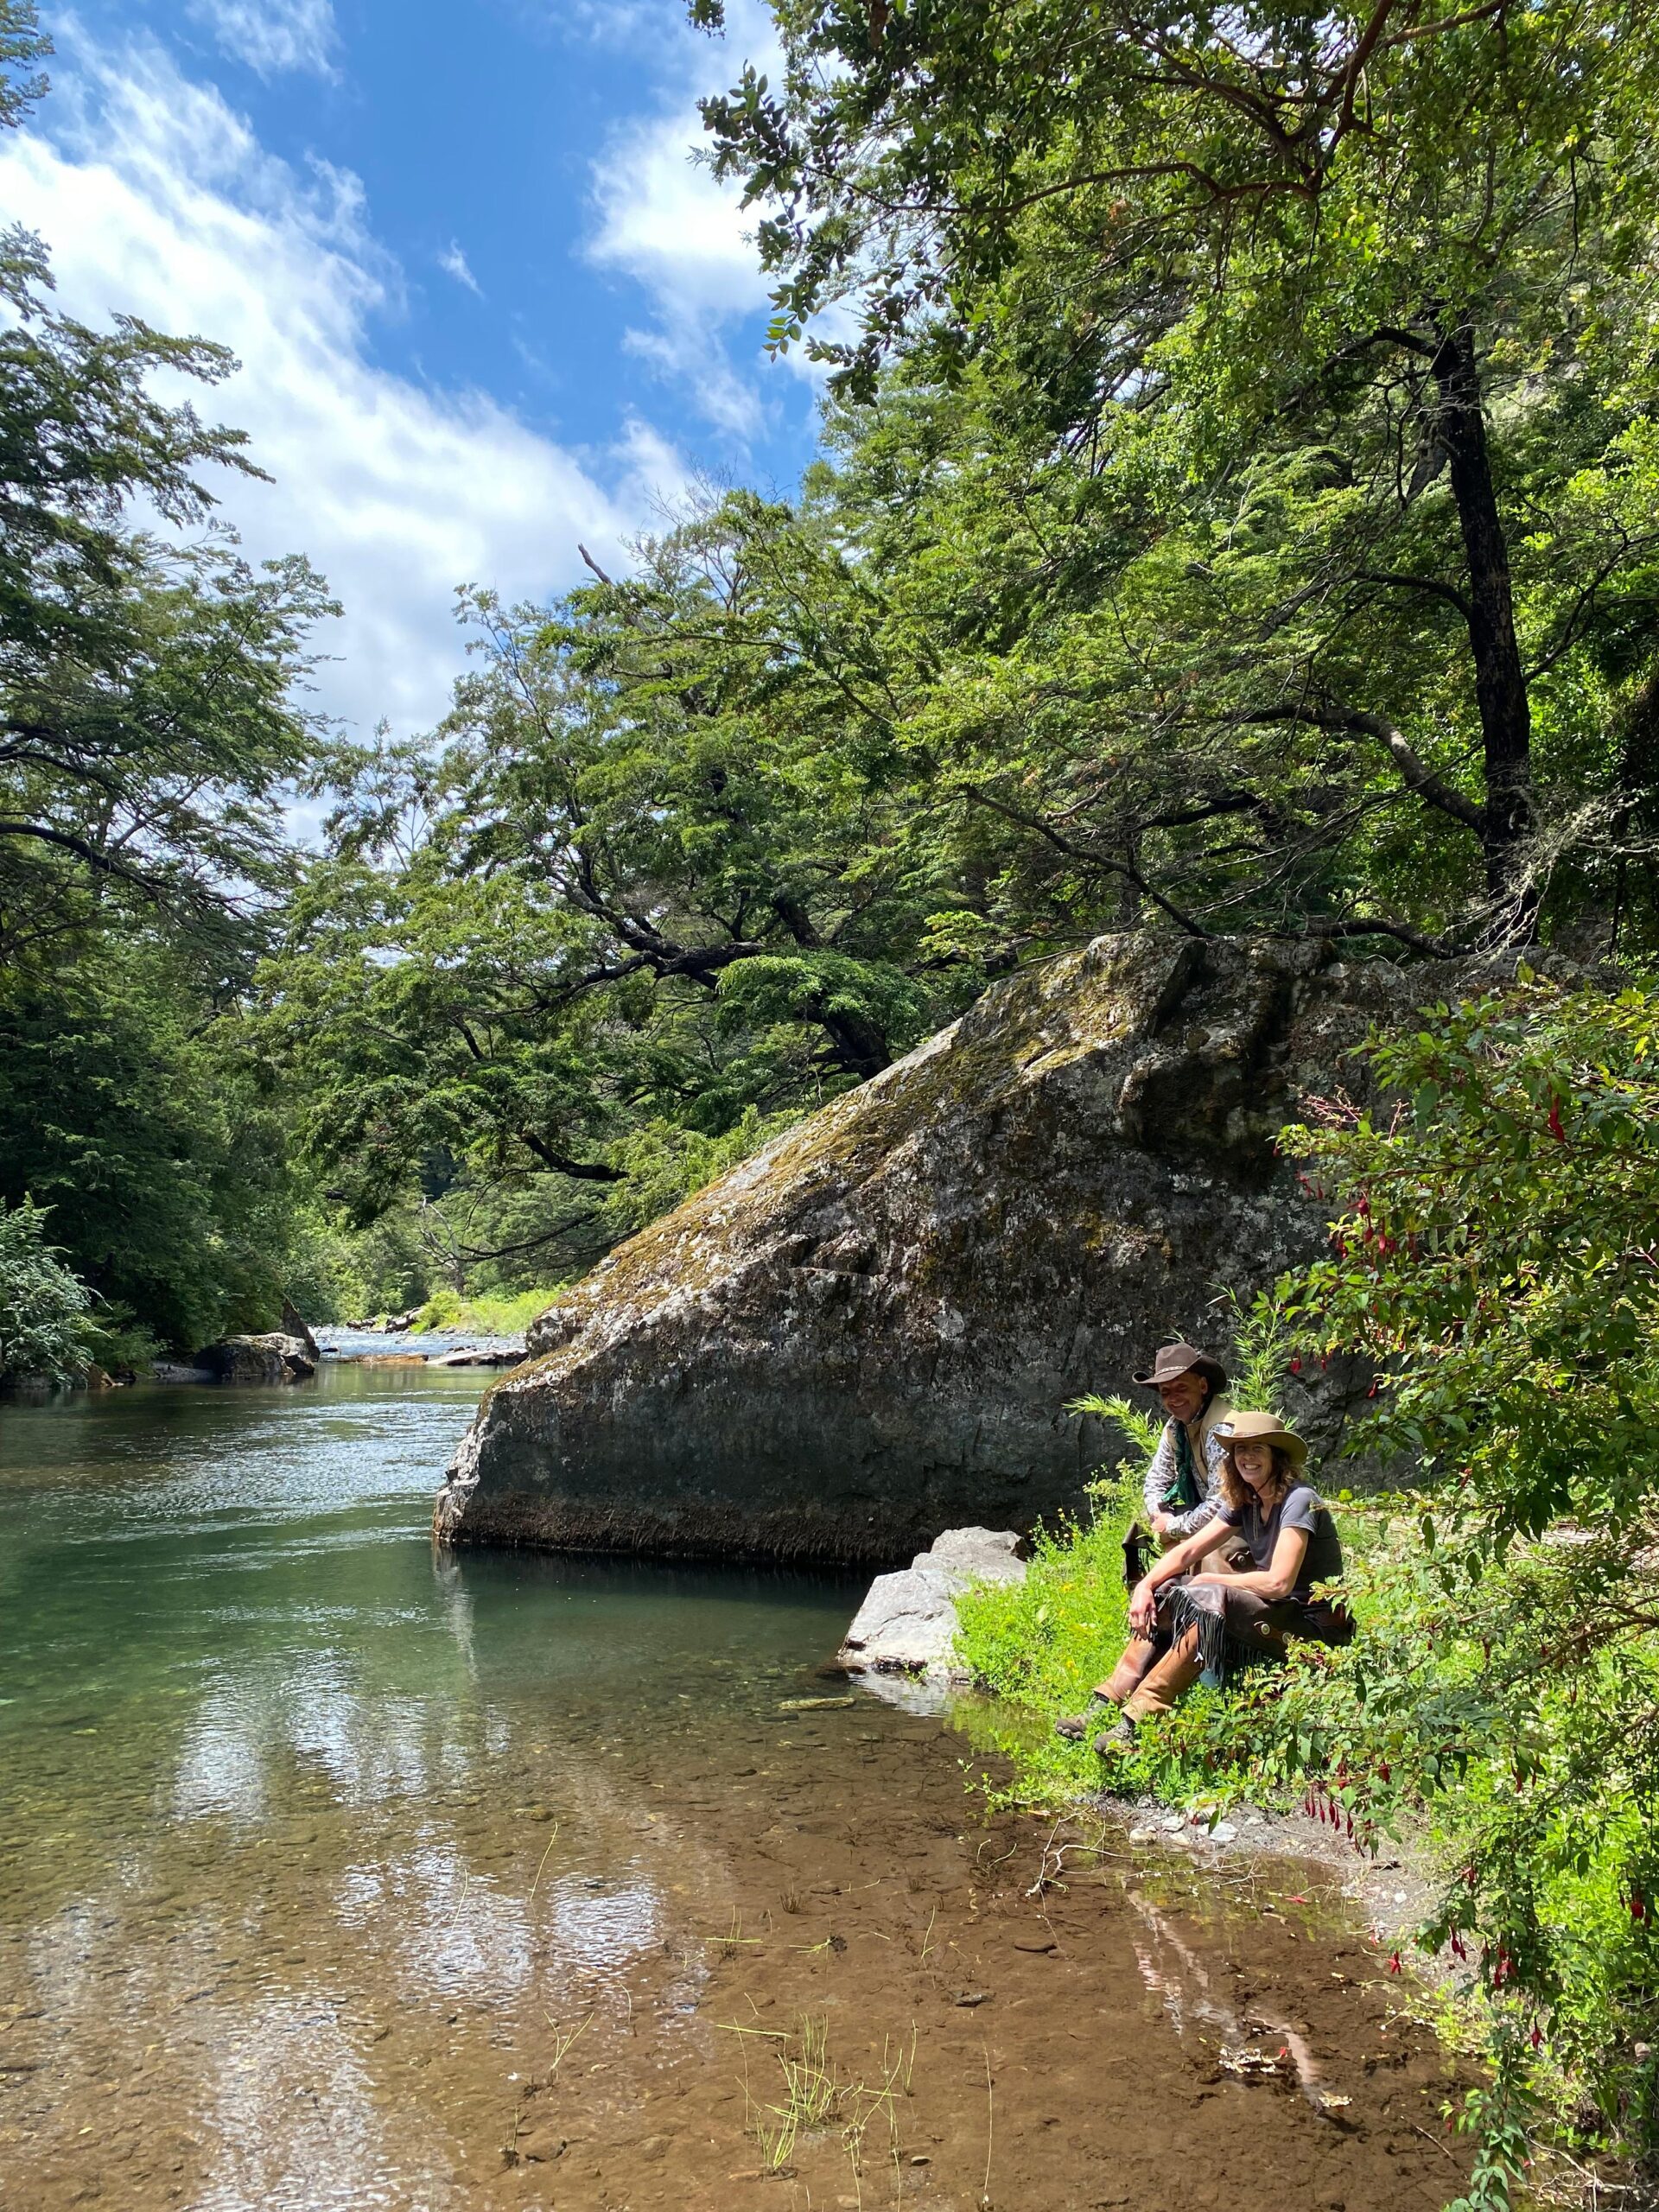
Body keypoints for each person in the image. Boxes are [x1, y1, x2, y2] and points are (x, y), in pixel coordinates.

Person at [1056, 1409, 1351, 1751]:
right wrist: (1146, 1586)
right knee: (1169, 1589)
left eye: (1257, 1449)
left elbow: (1279, 1584)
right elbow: (1187, 1551)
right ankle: (1104, 1704)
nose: (1247, 1457)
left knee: (1211, 1598)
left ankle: (1135, 1723)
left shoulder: (1300, 1500)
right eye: (1240, 1450)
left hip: (1313, 1628)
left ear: (1277, 1456)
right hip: (1276, 1612)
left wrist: (1210, 1579)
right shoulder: (1248, 1498)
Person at [1135, 1340, 1236, 1544]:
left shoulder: (1221, 1429)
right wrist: (1160, 1515)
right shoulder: (1175, 1428)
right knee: (1139, 1526)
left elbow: (1221, 1504)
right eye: (1166, 1392)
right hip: (1207, 1512)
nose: (1174, 1398)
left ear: (1202, 1386)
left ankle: (1177, 1573)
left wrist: (1172, 1527)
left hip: (1238, 1520)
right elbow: (1156, 1482)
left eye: (1181, 1388)